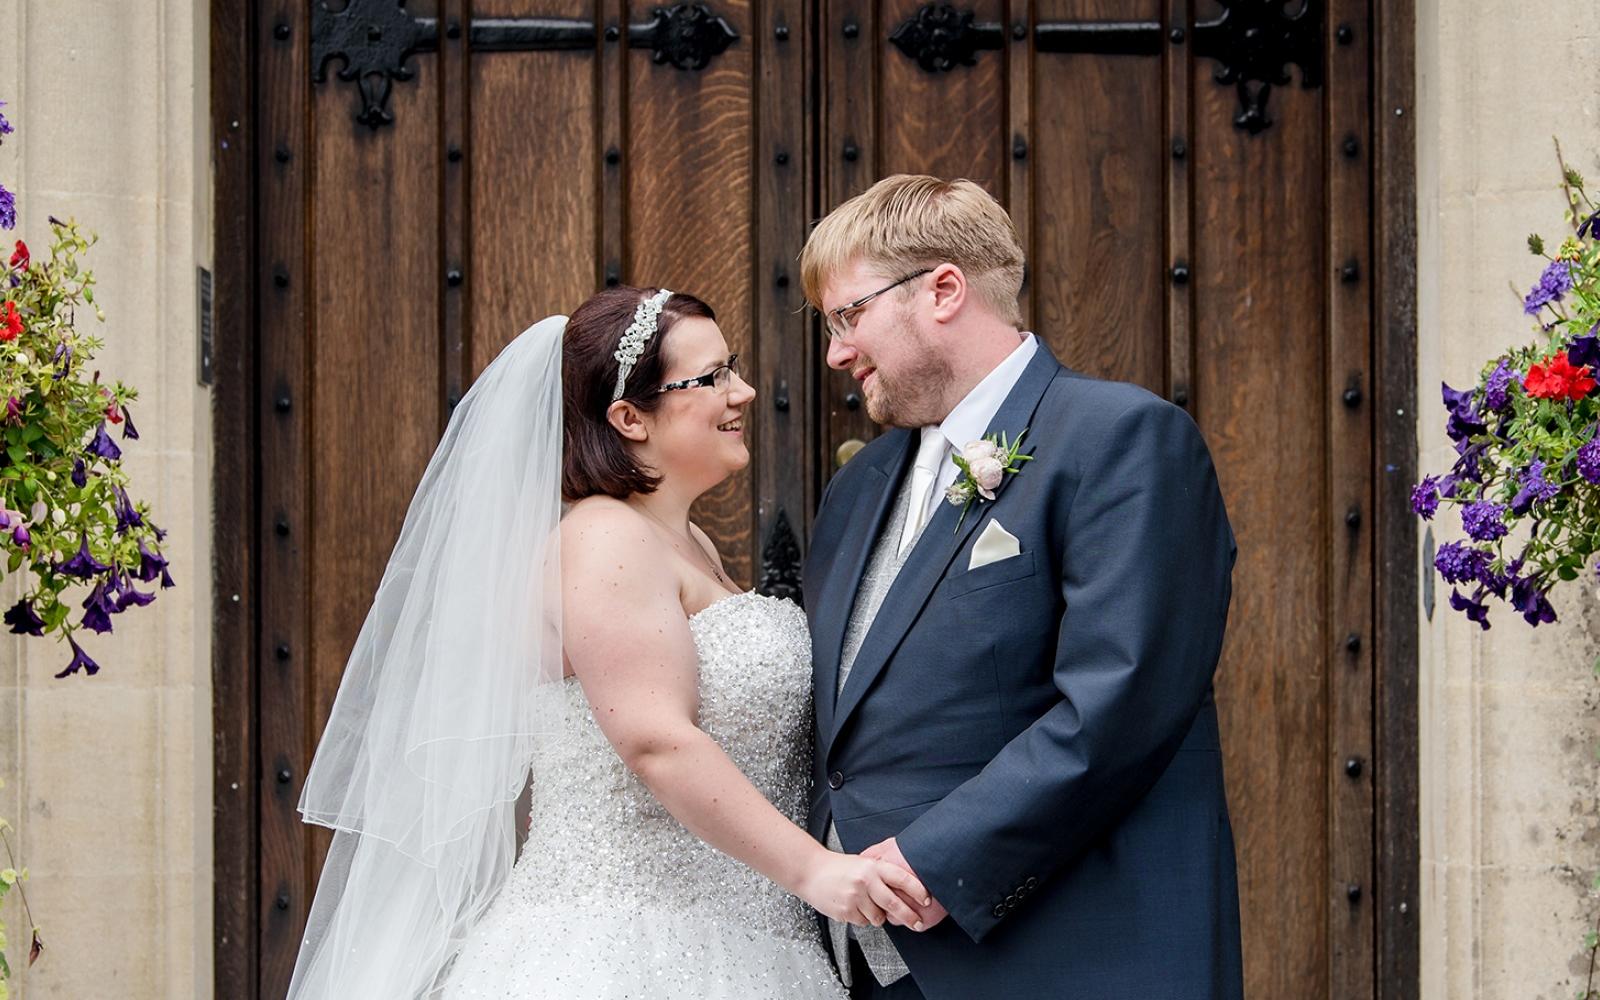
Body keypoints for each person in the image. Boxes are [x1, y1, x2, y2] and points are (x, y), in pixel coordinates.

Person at [287, 287, 927, 999]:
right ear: (628, 416)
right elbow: (656, 741)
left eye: (733, 368)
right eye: (712, 377)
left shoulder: (690, 544)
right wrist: (818, 872)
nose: (742, 391)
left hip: (751, 945)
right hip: (625, 953)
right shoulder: (605, 538)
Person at [800, 175, 1244, 1000]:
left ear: (942, 290)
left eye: (847, 316)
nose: (835, 351)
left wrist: (935, 858)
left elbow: (1120, 703)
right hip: (870, 961)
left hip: (1067, 954)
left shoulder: (1121, 439)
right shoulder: (858, 489)